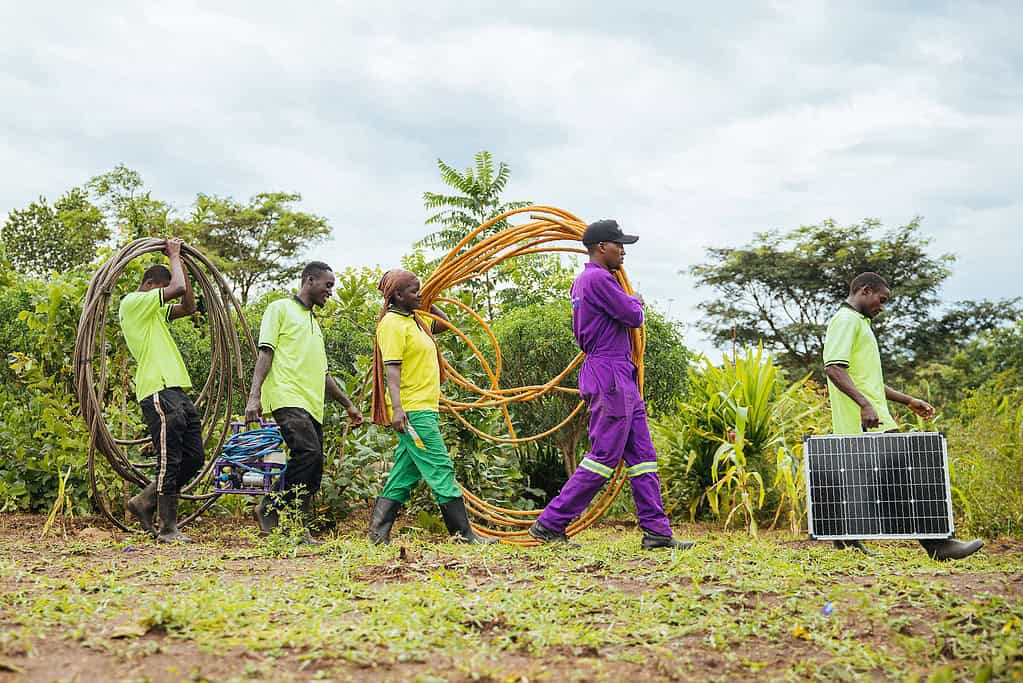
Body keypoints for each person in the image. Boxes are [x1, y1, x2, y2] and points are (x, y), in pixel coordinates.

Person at [529, 220, 694, 550]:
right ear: (602, 247)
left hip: (619, 373)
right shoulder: (597, 279)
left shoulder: (593, 280)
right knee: (604, 456)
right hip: (610, 374)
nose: (623, 251)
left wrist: (630, 301)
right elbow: (633, 316)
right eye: (619, 245)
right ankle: (550, 524)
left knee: (643, 456)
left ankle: (657, 533)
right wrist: (636, 301)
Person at [823, 271, 983, 561]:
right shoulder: (846, 321)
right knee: (912, 473)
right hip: (868, 420)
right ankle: (939, 544)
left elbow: (868, 381)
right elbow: (833, 368)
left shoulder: (859, 323)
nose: (881, 306)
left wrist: (908, 400)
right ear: (865, 290)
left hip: (867, 417)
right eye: (880, 299)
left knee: (865, 482)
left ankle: (846, 543)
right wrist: (865, 405)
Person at [366, 269, 495, 545]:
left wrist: (426, 299)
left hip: (424, 408)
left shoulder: (415, 321)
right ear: (397, 295)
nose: (420, 294)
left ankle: (378, 533)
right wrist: (397, 409)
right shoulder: (392, 324)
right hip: (413, 412)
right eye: (414, 291)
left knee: (405, 472)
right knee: (440, 466)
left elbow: (444, 324)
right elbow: (392, 368)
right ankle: (463, 534)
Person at [244, 261, 364, 543]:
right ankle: (268, 508)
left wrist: (348, 405)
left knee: (313, 466)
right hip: (287, 396)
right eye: (328, 285)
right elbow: (265, 354)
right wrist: (254, 396)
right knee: (307, 454)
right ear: (310, 280)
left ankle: (299, 529)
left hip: (311, 405)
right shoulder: (280, 309)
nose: (330, 292)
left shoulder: (314, 325)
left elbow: (323, 375)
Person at [120, 237, 201, 543]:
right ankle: (168, 528)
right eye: (164, 290)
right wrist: (175, 256)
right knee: (170, 458)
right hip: (156, 388)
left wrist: (184, 266)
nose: (167, 296)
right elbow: (177, 289)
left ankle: (143, 501)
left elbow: (188, 305)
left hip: (175, 388)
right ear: (153, 285)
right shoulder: (133, 302)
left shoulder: (154, 313)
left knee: (194, 456)